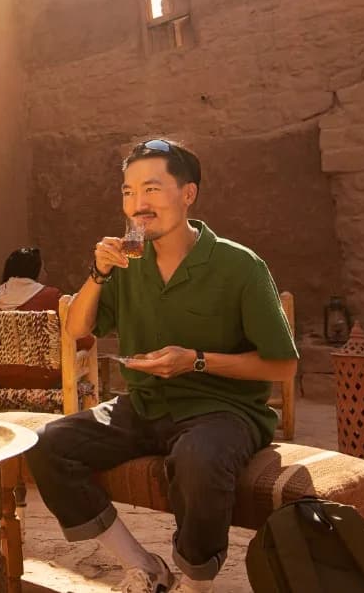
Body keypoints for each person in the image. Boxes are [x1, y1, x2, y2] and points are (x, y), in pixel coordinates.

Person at [23, 139, 298, 593]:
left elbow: (283, 366)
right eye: (128, 192)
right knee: (49, 444)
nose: (138, 204)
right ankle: (143, 565)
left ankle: (196, 581)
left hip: (222, 411)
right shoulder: (127, 262)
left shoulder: (240, 266)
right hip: (144, 404)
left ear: (188, 194)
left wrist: (197, 362)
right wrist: (98, 273)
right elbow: (76, 329)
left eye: (151, 189)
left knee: (199, 459)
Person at [0, 247, 95, 389]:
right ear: (36, 271)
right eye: (43, 268)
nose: (45, 272)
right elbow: (80, 336)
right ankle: (87, 401)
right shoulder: (51, 296)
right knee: (89, 347)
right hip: (40, 379)